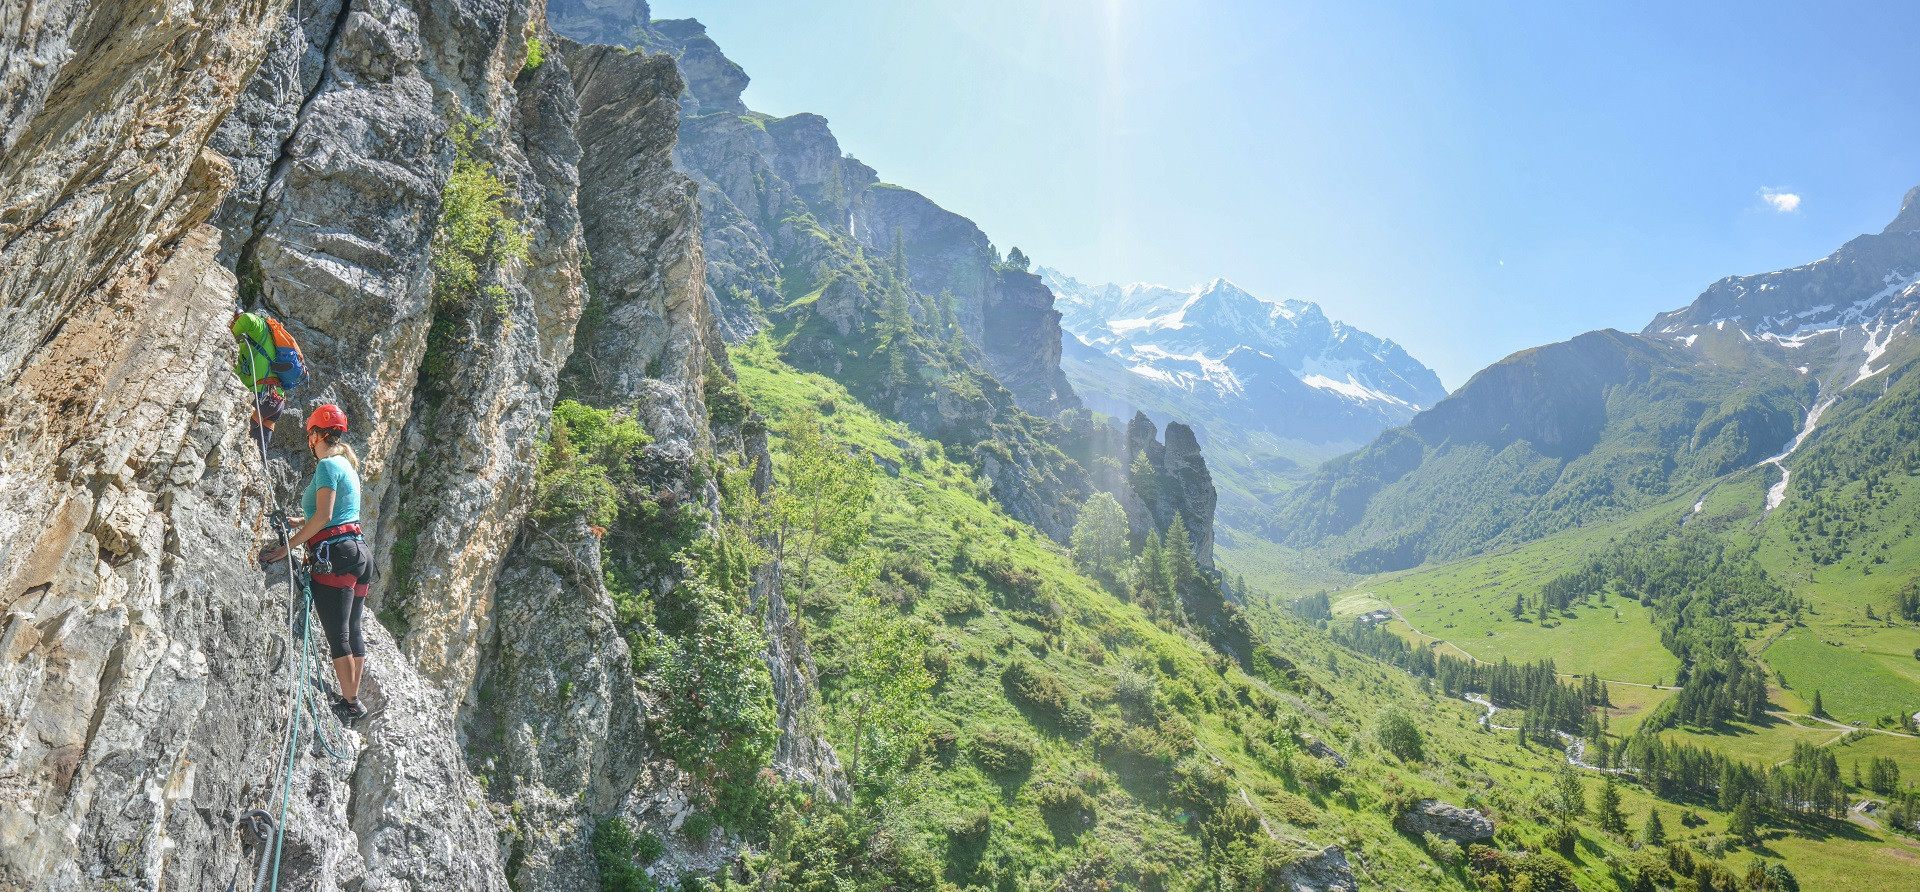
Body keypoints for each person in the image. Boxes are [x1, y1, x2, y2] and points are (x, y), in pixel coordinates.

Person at [259, 404, 373, 720]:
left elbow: (324, 516)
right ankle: (352, 696)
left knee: (338, 632)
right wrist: (298, 521)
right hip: (360, 553)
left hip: (336, 554)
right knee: (352, 627)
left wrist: (287, 549)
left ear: (314, 435)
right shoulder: (347, 466)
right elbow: (336, 514)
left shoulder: (325, 467)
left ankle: (351, 703)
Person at [231, 312, 285, 453]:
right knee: (258, 453)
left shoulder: (259, 326)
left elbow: (247, 318)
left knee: (233, 436)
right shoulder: (248, 345)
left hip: (263, 396)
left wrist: (231, 334)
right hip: (275, 401)